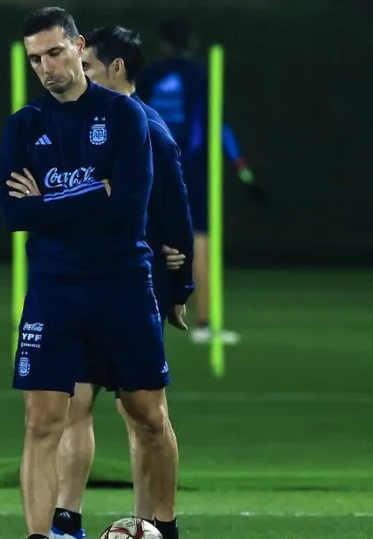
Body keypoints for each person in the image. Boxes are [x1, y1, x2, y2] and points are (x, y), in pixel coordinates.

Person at [0, 7, 191, 539]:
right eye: (35, 59)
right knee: (42, 420)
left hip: (123, 288)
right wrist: (91, 194)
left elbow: (128, 207)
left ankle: (168, 536)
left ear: (78, 47)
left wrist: (47, 204)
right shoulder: (24, 125)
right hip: (55, 291)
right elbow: (13, 215)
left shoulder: (126, 116)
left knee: (151, 416)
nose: (46, 67)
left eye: (54, 53)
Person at [136, 18, 261, 345]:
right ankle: (203, 323)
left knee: (140, 238)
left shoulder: (148, 77)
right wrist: (243, 171)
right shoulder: (200, 77)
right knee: (200, 240)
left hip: (150, 168)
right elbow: (217, 125)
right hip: (189, 170)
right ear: (190, 44)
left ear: (163, 44)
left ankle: (136, 316)